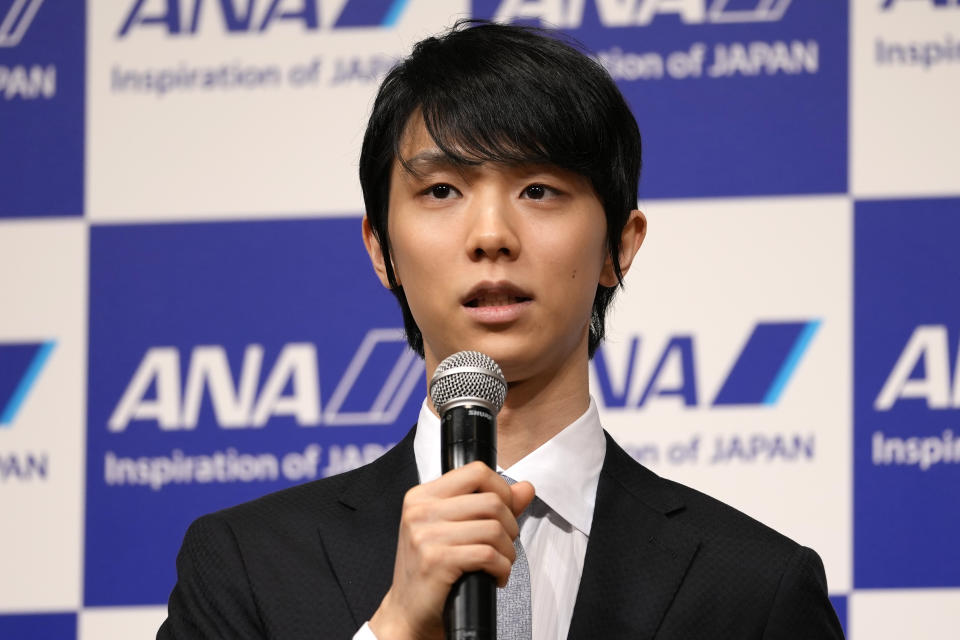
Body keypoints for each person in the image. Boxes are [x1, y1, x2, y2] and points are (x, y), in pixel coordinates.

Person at [158, 20, 844, 640]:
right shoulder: (245, 566)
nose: (491, 236)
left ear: (620, 245)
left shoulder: (756, 589)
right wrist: (395, 628)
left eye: (538, 190)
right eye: (442, 192)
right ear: (380, 249)